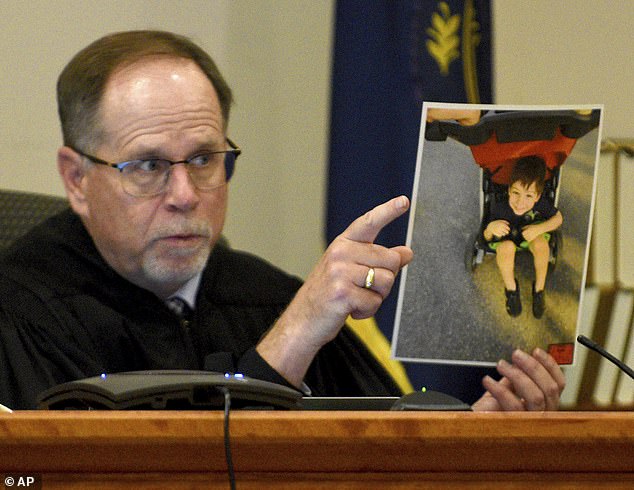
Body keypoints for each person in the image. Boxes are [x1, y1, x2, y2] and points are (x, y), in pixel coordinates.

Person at [0, 30, 565, 411]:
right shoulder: (21, 313)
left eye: (203, 159)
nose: (183, 195)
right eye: (147, 165)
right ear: (76, 178)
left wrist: (473, 435)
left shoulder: (263, 295)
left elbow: (383, 453)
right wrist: (290, 342)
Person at [483, 156, 564, 318]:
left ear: (537, 196)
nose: (520, 202)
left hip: (531, 235)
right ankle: (511, 289)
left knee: (541, 244)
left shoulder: (541, 204)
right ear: (508, 190)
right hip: (507, 240)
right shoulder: (500, 208)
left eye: (528, 196)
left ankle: (539, 289)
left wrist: (539, 228)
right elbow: (485, 237)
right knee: (506, 248)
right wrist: (491, 227)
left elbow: (558, 219)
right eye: (516, 193)